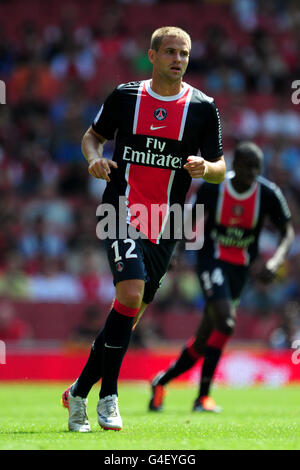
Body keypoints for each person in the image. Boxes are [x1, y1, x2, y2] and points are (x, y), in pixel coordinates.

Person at [62, 26, 226, 432]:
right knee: (130, 293)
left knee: (130, 314)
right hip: (121, 209)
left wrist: (206, 169)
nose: (178, 59)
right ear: (151, 56)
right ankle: (108, 397)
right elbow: (91, 137)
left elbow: (221, 168)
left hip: (167, 223)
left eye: (184, 53)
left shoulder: (203, 108)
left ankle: (79, 390)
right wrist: (94, 159)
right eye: (170, 51)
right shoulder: (125, 96)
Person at [148, 141, 294, 413]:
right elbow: (189, 217)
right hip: (211, 261)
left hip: (239, 271)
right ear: (234, 165)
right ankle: (202, 397)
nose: (252, 174)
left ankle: (161, 381)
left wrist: (274, 261)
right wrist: (174, 250)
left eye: (256, 169)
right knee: (226, 323)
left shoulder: (268, 193)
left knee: (206, 336)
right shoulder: (214, 187)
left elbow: (287, 232)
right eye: (247, 167)